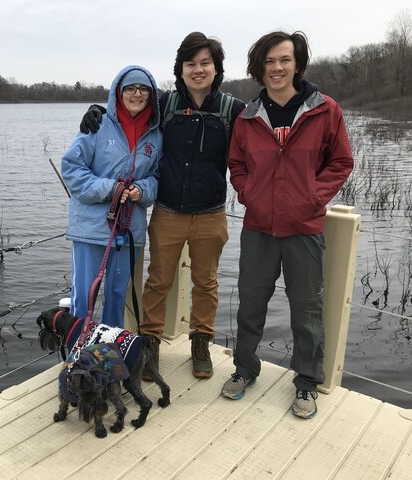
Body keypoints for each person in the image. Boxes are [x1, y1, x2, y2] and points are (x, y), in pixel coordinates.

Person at [80, 33, 245, 378]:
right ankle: (150, 346)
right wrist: (96, 109)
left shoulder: (234, 110)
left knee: (207, 283)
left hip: (211, 213)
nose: (198, 70)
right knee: (157, 282)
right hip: (168, 211)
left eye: (205, 63)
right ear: (180, 70)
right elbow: (126, 102)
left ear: (216, 69)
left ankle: (201, 344)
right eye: (190, 64)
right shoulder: (165, 103)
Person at [221, 31, 353, 418]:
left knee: (306, 310)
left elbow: (341, 162)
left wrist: (313, 197)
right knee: (250, 304)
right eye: (269, 62)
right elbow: (237, 165)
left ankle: (306, 382)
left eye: (284, 60)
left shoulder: (325, 110)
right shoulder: (247, 117)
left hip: (304, 229)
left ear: (297, 64)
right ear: (259, 68)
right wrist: (250, 195)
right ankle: (245, 369)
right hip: (258, 228)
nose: (277, 68)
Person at [62, 65, 162, 329]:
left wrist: (143, 189)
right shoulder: (97, 125)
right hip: (90, 228)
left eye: (143, 89)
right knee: (84, 297)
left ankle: (109, 357)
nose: (137, 94)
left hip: (129, 231)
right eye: (130, 88)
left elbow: (158, 177)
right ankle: (77, 356)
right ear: (118, 92)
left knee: (117, 297)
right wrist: (111, 188)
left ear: (151, 94)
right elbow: (71, 169)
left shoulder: (157, 134)